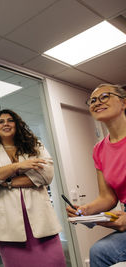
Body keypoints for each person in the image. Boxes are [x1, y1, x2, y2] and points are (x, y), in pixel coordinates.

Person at [0, 109, 66, 267]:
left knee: (56, 263)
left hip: (41, 220)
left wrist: (6, 181)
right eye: (1, 121)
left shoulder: (34, 146)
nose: (6, 124)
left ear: (17, 124)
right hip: (7, 226)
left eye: (10, 120)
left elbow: (46, 175)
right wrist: (19, 166)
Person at [66, 84, 126, 267]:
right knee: (99, 252)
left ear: (123, 102)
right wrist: (84, 210)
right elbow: (107, 197)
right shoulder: (99, 150)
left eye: (105, 96)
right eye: (92, 100)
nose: (96, 102)